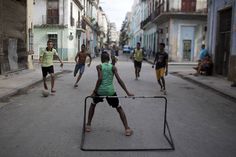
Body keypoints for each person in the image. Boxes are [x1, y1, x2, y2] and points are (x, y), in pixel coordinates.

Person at [86, 51, 134, 136]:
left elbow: (100, 79)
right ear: (108, 59)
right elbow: (119, 80)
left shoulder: (99, 66)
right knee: (119, 108)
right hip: (110, 92)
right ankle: (127, 128)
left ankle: (88, 125)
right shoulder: (113, 67)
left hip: (100, 91)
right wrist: (127, 92)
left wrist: (94, 91)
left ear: (101, 59)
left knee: (93, 105)